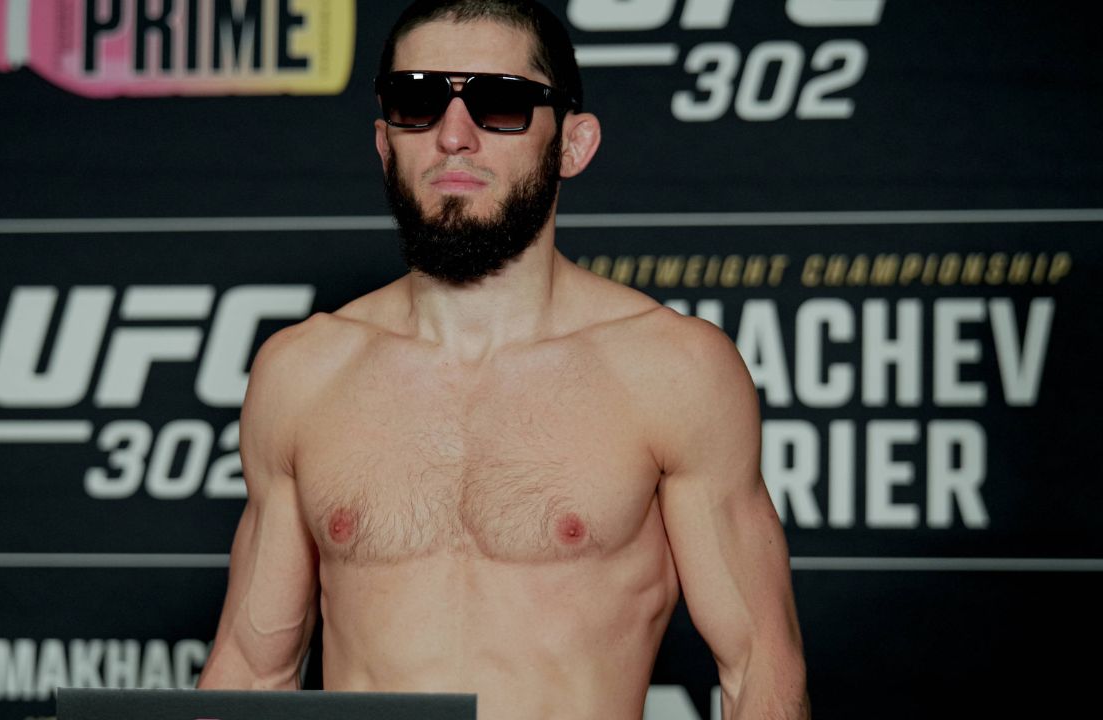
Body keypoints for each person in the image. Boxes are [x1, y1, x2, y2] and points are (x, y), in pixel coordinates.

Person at [198, 1, 809, 718]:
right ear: (385, 142)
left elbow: (760, 664)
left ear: (573, 144)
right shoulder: (303, 373)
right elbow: (252, 670)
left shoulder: (672, 370)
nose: (454, 136)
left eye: (501, 104)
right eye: (417, 102)